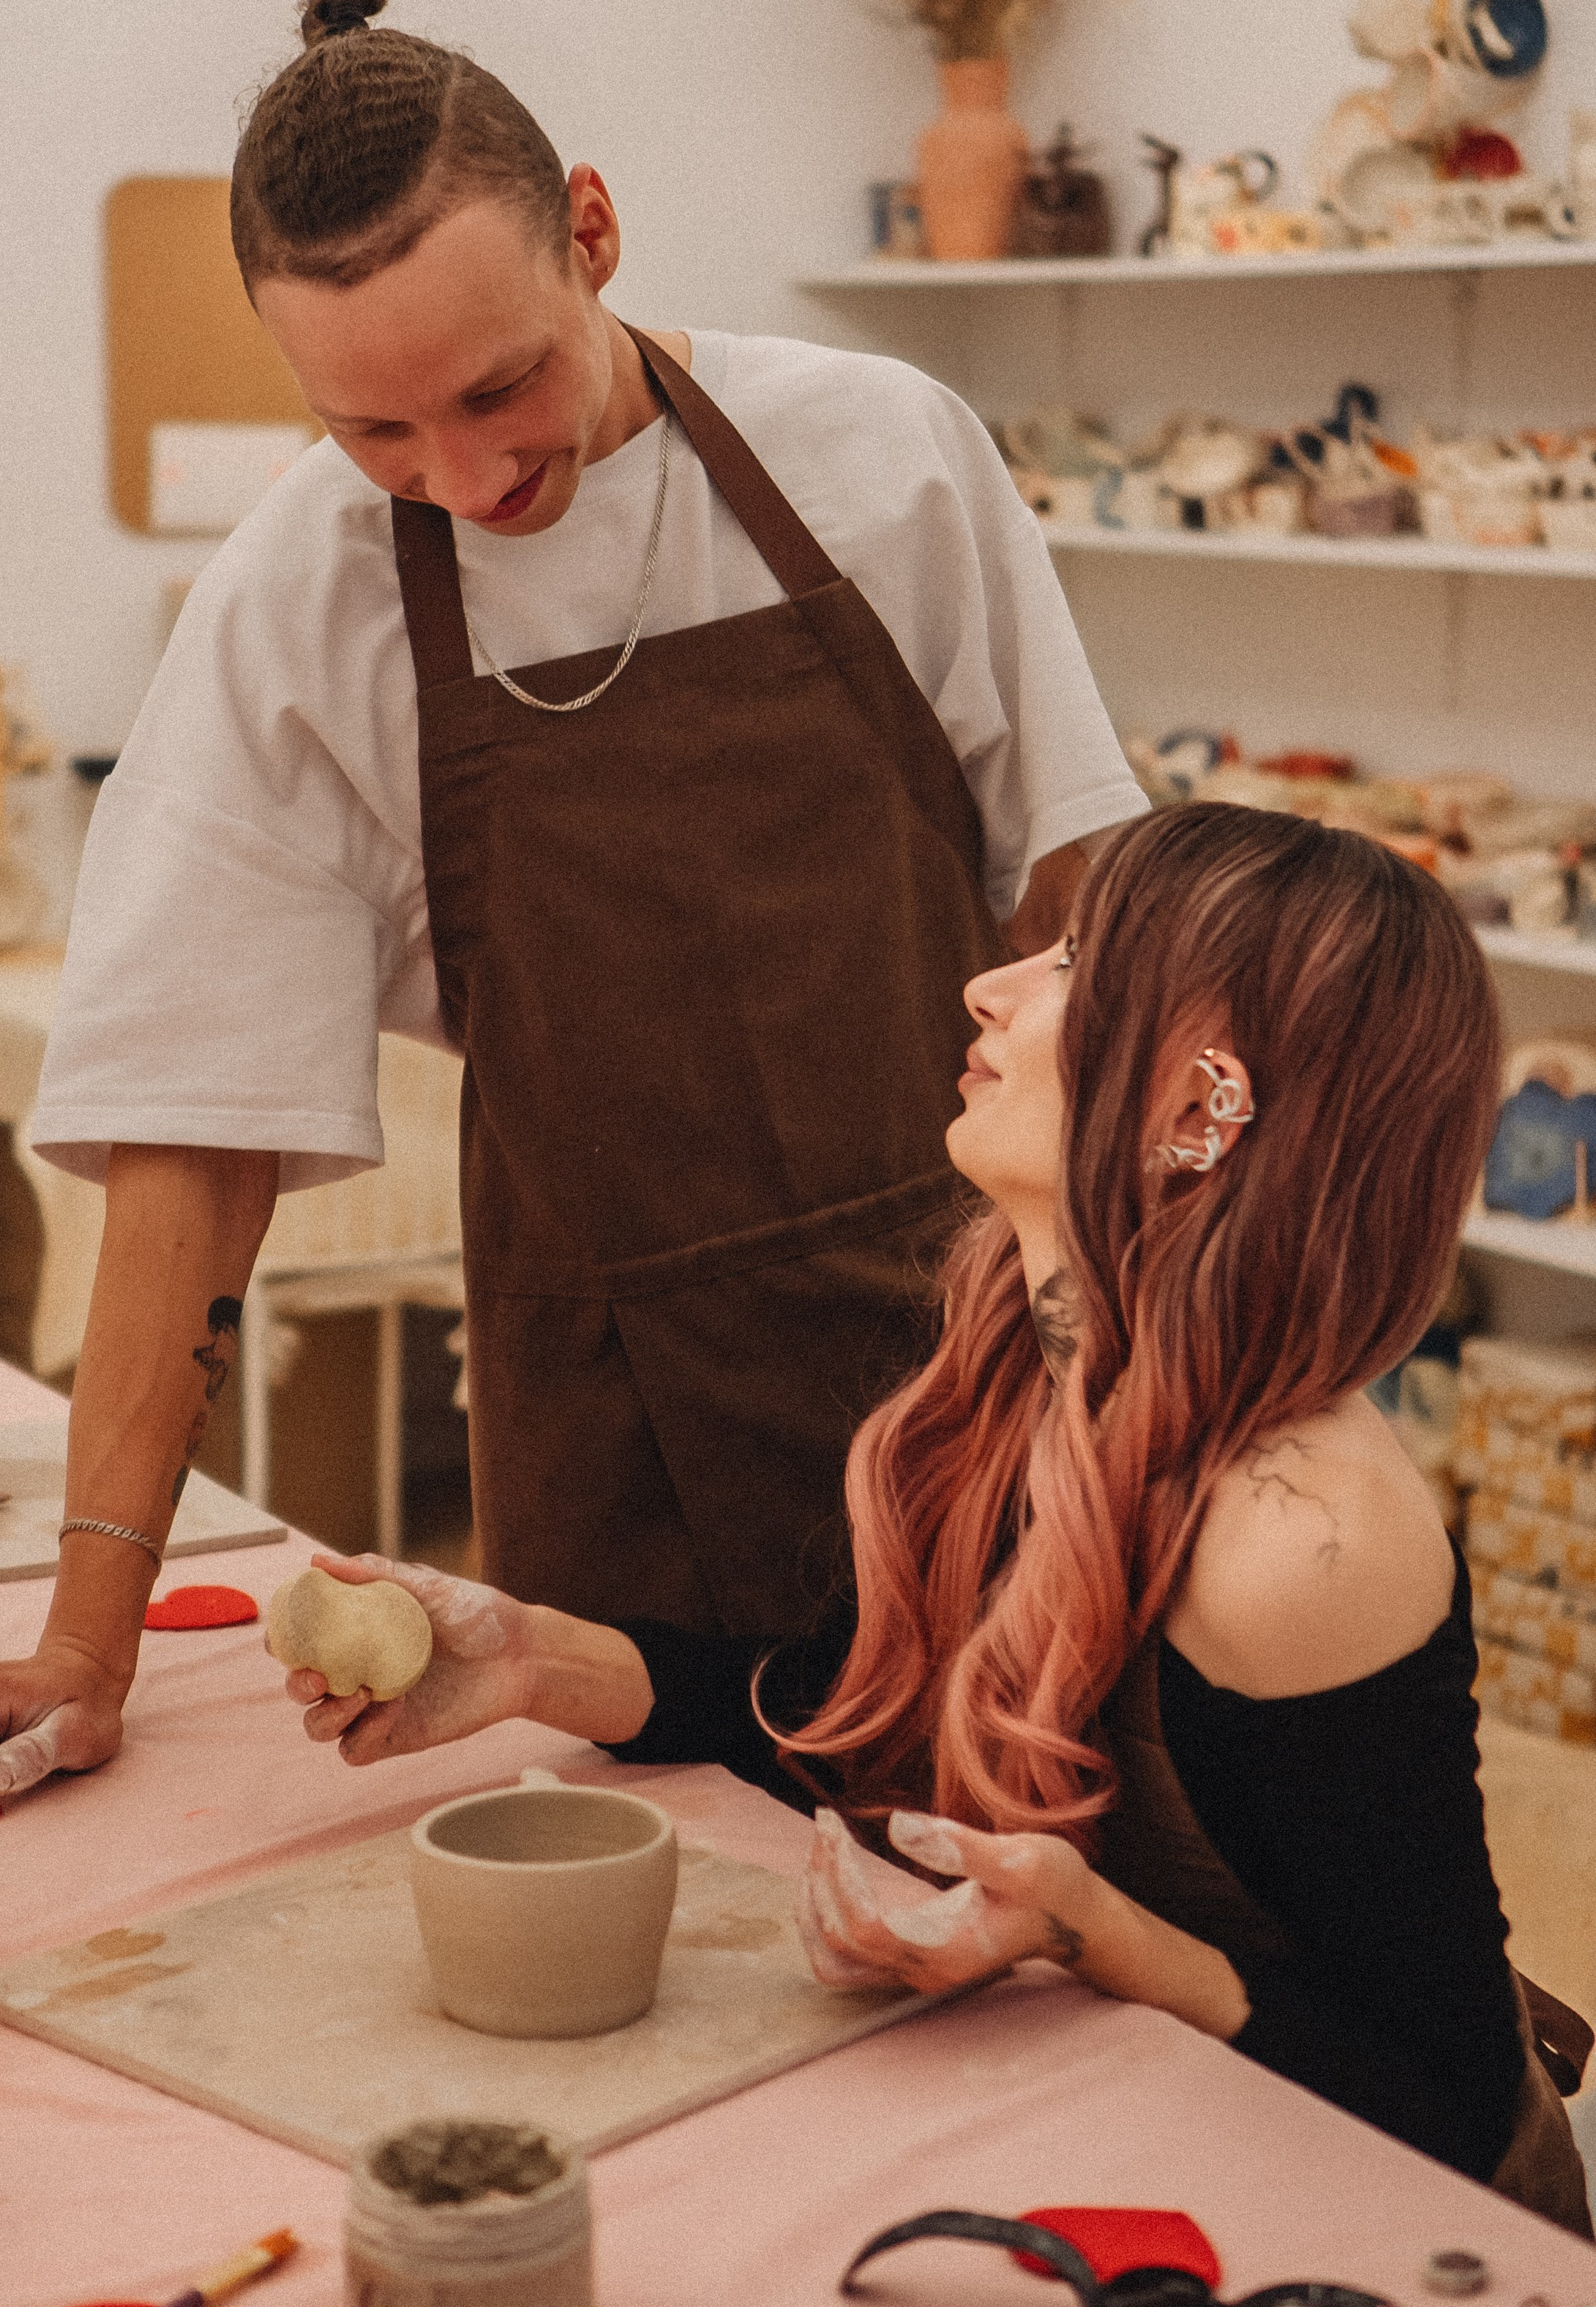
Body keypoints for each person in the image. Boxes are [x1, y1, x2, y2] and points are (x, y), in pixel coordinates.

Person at [0, 0, 1144, 1803]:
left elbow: (1081, 910)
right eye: (373, 435)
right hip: (619, 1432)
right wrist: (85, 1640)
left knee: (1043, 1869)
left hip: (984, 1357)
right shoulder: (300, 606)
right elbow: (193, 1141)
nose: (463, 478)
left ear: (593, 233)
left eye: (499, 386)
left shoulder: (878, 455)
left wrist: (1152, 1352)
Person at [272, 803, 1592, 2231]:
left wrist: (1090, 1929)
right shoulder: (1029, 1353)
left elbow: (1438, 2099)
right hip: (1150, 2133)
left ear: (1200, 1110)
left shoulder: (1297, 1541)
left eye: (1077, 965)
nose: (988, 986)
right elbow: (842, 1717)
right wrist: (535, 1660)